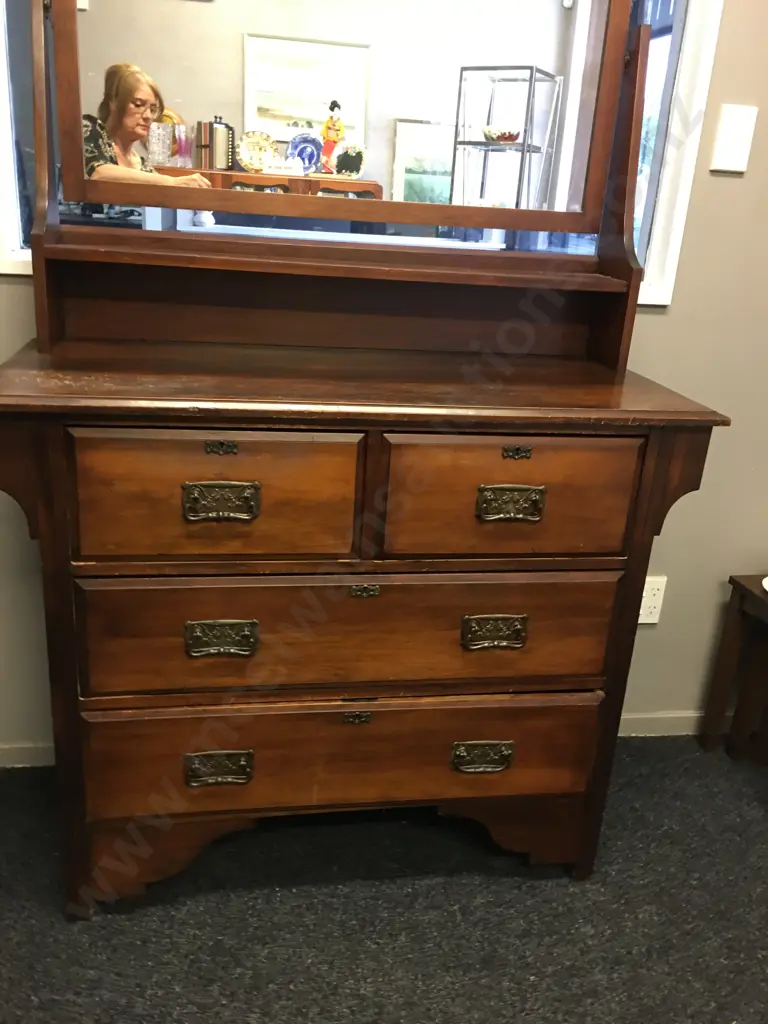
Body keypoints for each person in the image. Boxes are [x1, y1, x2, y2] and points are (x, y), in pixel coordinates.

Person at [82, 63, 211, 188]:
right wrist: (171, 182)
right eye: (138, 104)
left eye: (152, 109)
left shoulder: (140, 165)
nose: (148, 116)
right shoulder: (90, 129)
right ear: (113, 103)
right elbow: (99, 173)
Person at [320, 100, 345, 172]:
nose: (336, 111)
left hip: (335, 141)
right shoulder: (328, 120)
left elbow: (342, 132)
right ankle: (325, 168)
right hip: (328, 140)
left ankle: (332, 169)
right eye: (334, 110)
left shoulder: (340, 122)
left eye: (337, 110)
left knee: (333, 156)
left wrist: (340, 136)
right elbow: (324, 129)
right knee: (326, 155)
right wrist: (324, 137)